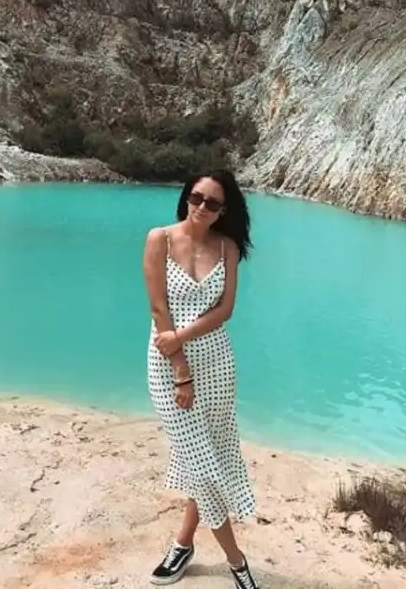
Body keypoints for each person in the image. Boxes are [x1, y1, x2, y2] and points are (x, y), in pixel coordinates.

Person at [143, 169, 260, 588]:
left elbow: (225, 310)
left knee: (210, 456)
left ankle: (182, 544)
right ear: (186, 197)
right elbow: (159, 310)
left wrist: (183, 335)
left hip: (216, 364)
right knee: (201, 463)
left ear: (224, 210)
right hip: (167, 365)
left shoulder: (228, 247)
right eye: (196, 198)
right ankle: (237, 561)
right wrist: (180, 368)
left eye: (212, 203)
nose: (202, 207)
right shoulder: (159, 238)